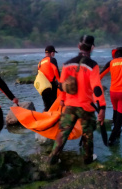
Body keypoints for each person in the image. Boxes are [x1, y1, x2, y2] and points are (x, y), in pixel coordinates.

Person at [48, 35, 106, 165]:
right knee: (87, 135)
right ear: (92, 48)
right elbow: (96, 88)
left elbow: (61, 84)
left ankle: (52, 159)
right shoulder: (93, 65)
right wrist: (102, 107)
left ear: (78, 46)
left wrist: (62, 100)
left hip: (69, 105)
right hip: (86, 107)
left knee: (63, 133)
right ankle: (87, 160)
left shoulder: (67, 64)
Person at [38, 45, 60, 111]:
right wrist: (59, 82)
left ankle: (45, 117)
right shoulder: (52, 59)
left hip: (43, 87)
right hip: (51, 85)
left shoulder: (40, 62)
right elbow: (55, 70)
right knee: (54, 104)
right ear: (52, 53)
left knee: (47, 106)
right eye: (54, 53)